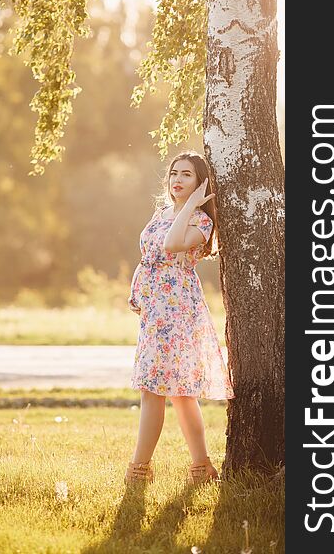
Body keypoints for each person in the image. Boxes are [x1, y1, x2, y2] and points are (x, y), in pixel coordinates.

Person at [125, 150, 235, 486]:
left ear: (200, 183)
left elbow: (173, 245)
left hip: (178, 311)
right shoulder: (161, 213)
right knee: (172, 391)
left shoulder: (201, 221)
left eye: (186, 175)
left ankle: (139, 470)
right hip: (156, 308)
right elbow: (149, 254)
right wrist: (139, 291)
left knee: (162, 389)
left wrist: (191, 205)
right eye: (174, 173)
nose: (177, 180)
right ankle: (202, 469)